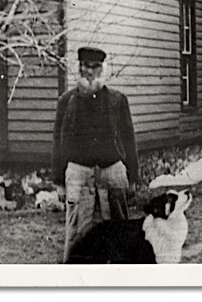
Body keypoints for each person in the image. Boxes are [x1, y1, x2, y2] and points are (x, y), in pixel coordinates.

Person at [52, 46, 140, 262]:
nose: (90, 72)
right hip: (78, 173)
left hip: (113, 172)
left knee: (118, 229)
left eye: (95, 67)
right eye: (85, 67)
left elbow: (129, 139)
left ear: (103, 69)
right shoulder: (67, 101)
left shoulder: (118, 100)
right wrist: (58, 181)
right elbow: (57, 141)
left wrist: (132, 178)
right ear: (79, 68)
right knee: (78, 233)